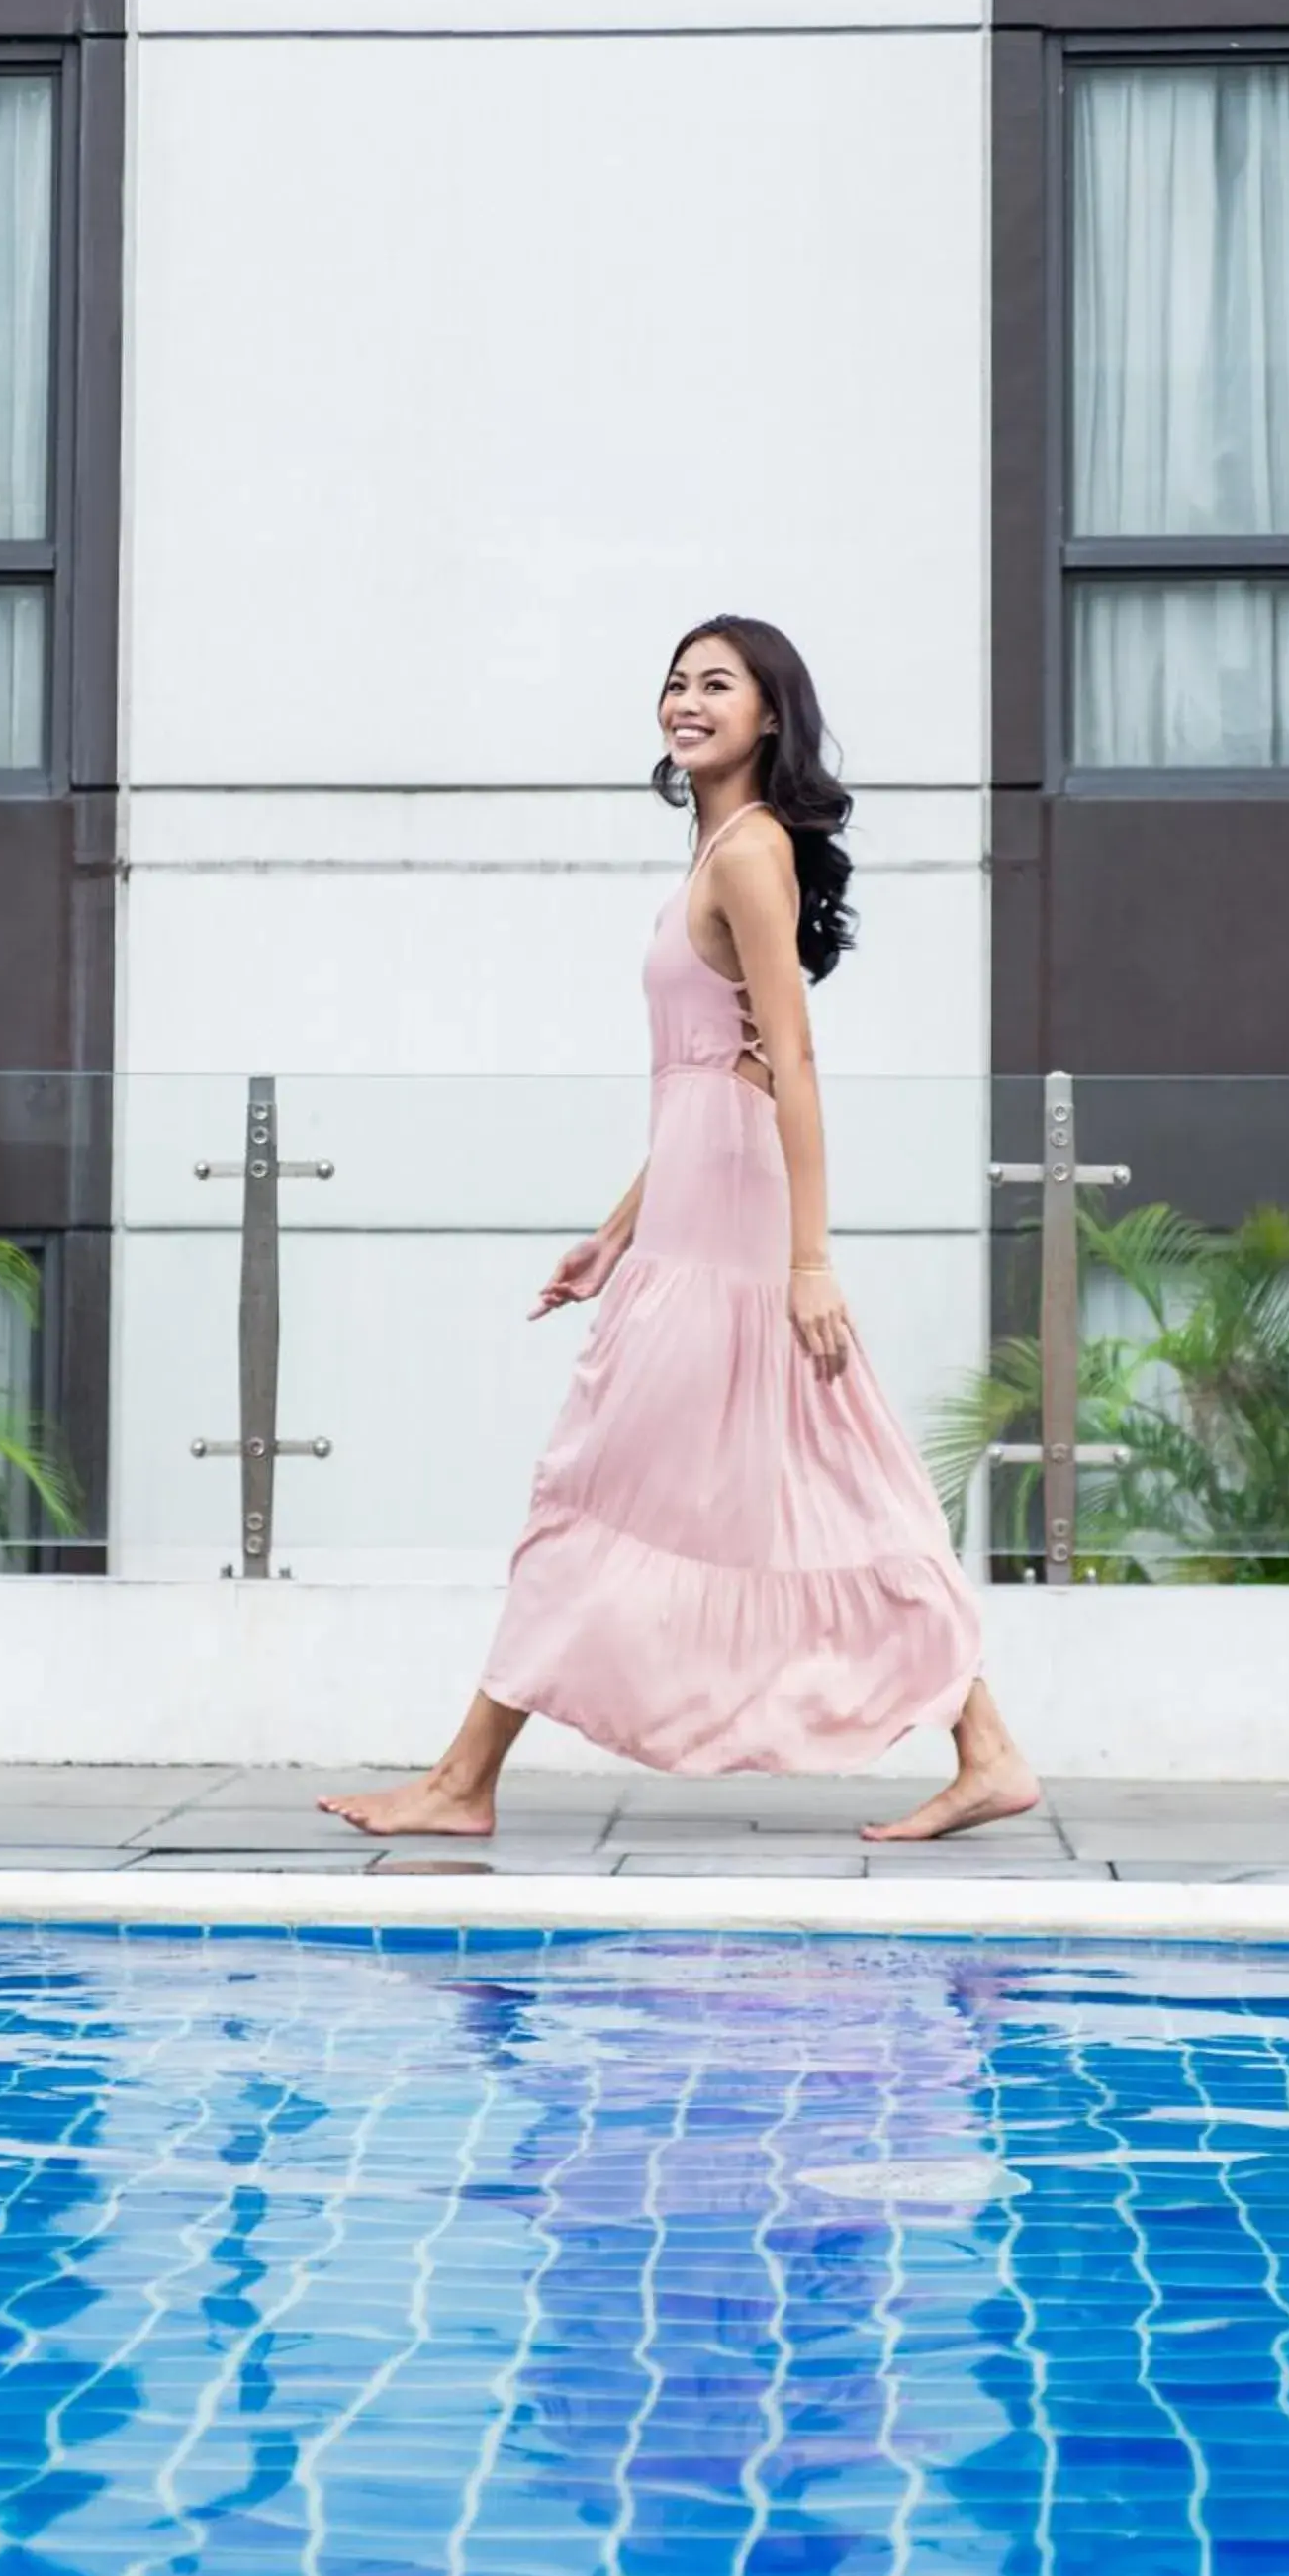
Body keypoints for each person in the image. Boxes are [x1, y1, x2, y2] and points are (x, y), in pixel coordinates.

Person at [319, 617, 1040, 1844]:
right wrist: (616, 1232)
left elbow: (790, 1063)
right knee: (825, 1474)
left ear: (770, 715)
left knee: (598, 1475)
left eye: (717, 684)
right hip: (696, 1212)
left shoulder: (749, 851)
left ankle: (461, 1782)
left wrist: (808, 1263)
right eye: (674, 683)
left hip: (734, 1233)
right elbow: (712, 1079)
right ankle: (988, 1749)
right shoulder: (718, 849)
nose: (685, 702)